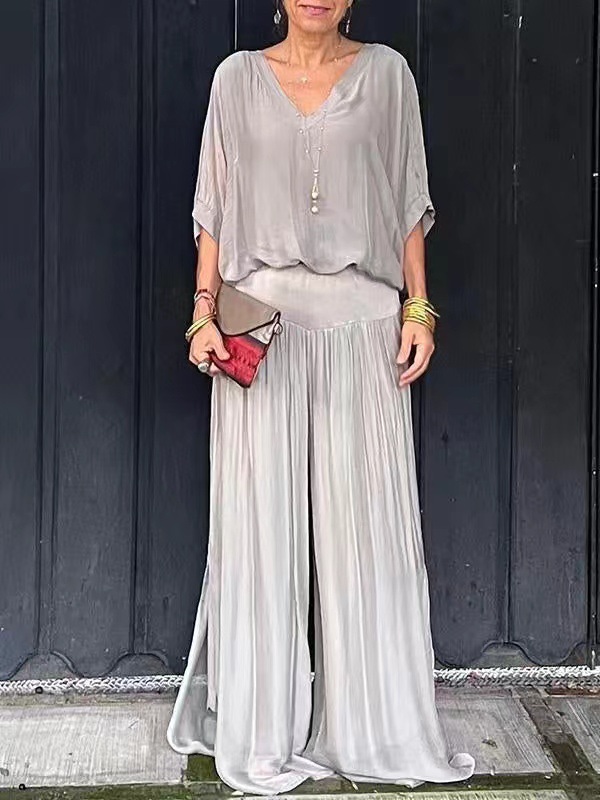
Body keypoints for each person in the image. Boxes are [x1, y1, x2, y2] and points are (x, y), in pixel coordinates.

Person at [166, 0, 476, 794]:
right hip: (261, 329)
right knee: (259, 533)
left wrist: (419, 309)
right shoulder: (236, 80)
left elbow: (407, 200)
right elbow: (214, 210)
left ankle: (376, 730)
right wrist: (202, 313)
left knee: (369, 533)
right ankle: (262, 730)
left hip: (362, 322)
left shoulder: (388, 77)